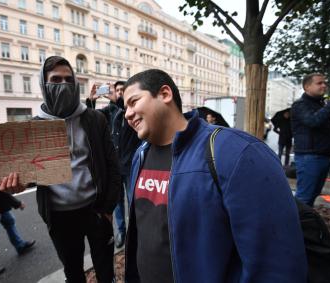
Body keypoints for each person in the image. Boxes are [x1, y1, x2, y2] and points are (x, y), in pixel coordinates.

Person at [123, 69, 307, 283]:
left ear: (165, 94)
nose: (127, 113)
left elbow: (276, 262)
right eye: (125, 107)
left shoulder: (236, 151)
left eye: (133, 102)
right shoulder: (141, 154)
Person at [0, 56, 121, 283]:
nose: (63, 85)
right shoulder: (33, 128)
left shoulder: (95, 119)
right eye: (55, 80)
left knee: (106, 271)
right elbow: (31, 174)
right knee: (73, 272)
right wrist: (17, 184)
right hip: (59, 217)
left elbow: (113, 167)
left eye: (68, 79)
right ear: (44, 85)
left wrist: (107, 209)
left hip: (96, 211)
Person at [87, 81, 141, 248]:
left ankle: (136, 232)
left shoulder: (129, 110)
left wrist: (117, 101)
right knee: (117, 204)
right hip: (114, 169)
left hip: (130, 167)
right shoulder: (108, 112)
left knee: (133, 201)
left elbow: (126, 113)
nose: (117, 93)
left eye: (120, 91)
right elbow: (90, 117)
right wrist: (91, 100)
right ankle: (122, 233)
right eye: (115, 90)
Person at [291, 73, 330, 206]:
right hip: (310, 158)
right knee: (304, 198)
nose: (324, 85)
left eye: (324, 83)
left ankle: (305, 224)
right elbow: (313, 121)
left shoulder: (321, 105)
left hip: (322, 156)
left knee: (311, 196)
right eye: (319, 83)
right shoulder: (300, 105)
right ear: (306, 87)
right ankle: (295, 225)